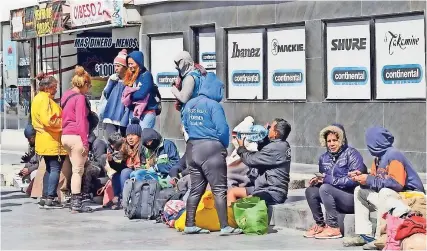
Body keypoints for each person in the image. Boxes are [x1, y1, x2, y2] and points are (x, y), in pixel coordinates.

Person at [344, 126, 425, 249]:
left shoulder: (394, 155)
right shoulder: (378, 158)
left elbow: (397, 184)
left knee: (384, 191)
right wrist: (361, 178)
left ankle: (380, 238)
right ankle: (364, 234)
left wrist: (369, 179)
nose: (367, 145)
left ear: (375, 141)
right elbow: (375, 180)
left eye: (369, 141)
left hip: (411, 197)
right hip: (393, 198)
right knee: (359, 191)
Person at [182, 74, 242, 236]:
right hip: (211, 149)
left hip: (192, 148)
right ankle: (225, 226)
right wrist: (222, 146)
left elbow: (186, 126)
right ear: (214, 87)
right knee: (219, 189)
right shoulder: (213, 105)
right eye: (220, 88)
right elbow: (222, 129)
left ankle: (190, 224)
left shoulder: (189, 104)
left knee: (196, 189)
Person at [304, 124, 367, 239]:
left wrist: (327, 180)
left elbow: (354, 181)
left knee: (325, 188)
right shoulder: (323, 158)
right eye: (329, 141)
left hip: (351, 198)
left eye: (335, 140)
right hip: (334, 197)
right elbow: (326, 181)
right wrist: (318, 181)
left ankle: (334, 227)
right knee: (311, 191)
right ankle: (320, 225)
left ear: (342, 140)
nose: (331, 144)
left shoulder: (352, 154)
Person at [227, 118, 292, 207]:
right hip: (263, 188)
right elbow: (264, 153)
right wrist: (264, 138)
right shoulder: (281, 145)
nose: (268, 129)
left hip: (272, 192)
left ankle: (235, 219)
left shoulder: (275, 148)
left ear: (276, 133)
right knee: (232, 192)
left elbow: (251, 160)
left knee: (242, 204)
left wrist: (241, 147)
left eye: (271, 128)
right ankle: (231, 219)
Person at [31, 72, 67, 209]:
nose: (56, 89)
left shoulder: (38, 98)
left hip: (45, 139)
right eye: (54, 87)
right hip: (51, 139)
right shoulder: (44, 99)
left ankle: (46, 196)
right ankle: (50, 196)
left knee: (49, 168)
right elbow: (49, 121)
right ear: (47, 88)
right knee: (54, 168)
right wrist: (64, 122)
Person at [61, 66, 93, 213]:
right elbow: (80, 121)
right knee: (78, 171)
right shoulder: (80, 98)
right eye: (89, 85)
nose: (89, 89)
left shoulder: (66, 95)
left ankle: (67, 196)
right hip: (76, 137)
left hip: (65, 136)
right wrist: (85, 142)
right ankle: (76, 203)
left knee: (71, 166)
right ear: (84, 84)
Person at [121, 51, 159, 129]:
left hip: (147, 112)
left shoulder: (146, 75)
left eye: (132, 63)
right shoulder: (131, 76)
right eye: (129, 64)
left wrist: (130, 96)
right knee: (134, 136)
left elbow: (142, 94)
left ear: (139, 63)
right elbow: (125, 92)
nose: (130, 66)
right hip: (134, 112)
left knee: (143, 137)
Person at [102, 49, 128, 137]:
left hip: (122, 113)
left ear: (125, 67)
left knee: (123, 137)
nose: (116, 68)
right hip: (111, 112)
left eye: (118, 66)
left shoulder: (129, 80)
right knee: (111, 138)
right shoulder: (113, 79)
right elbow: (106, 94)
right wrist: (111, 83)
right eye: (115, 66)